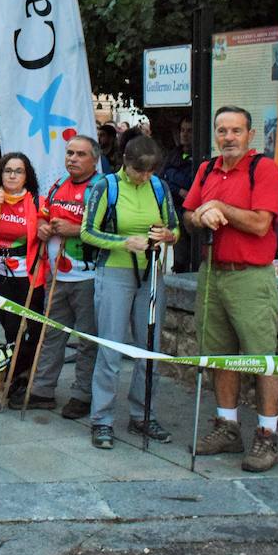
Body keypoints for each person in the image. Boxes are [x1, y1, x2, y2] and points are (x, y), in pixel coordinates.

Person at [184, 106, 278, 473]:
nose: (228, 137)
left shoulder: (264, 169)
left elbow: (261, 224)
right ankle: (227, 427)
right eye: (222, 131)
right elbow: (188, 215)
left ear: (250, 135)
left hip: (249, 276)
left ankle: (267, 434)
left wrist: (219, 207)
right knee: (218, 353)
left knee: (262, 357)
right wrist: (200, 215)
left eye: (236, 131)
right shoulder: (206, 169)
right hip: (212, 272)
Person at [81, 136, 178, 448]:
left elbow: (175, 228)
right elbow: (87, 231)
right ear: (126, 162)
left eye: (150, 172)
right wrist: (122, 242)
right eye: (139, 171)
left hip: (150, 272)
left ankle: (143, 414)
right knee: (110, 347)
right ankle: (102, 419)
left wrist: (167, 235)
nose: (145, 177)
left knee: (149, 348)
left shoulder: (159, 187)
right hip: (115, 271)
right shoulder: (106, 186)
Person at [21, 134, 102, 418]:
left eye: (80, 154)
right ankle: (42, 390)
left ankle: (82, 394)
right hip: (56, 276)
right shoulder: (58, 186)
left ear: (94, 159)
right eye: (69, 153)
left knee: (87, 339)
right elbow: (43, 214)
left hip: (88, 277)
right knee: (50, 334)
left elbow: (109, 231)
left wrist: (75, 230)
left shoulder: (101, 188)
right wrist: (43, 226)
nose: (73, 159)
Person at [0, 152, 47, 398]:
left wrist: (48, 229)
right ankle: (10, 373)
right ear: (0, 174)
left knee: (30, 331)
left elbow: (45, 232)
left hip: (30, 277)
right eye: (8, 170)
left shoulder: (36, 202)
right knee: (11, 329)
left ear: (27, 176)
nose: (13, 175)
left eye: (19, 171)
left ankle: (18, 375)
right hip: (0, 276)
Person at [160, 116, 197, 272]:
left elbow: (191, 180)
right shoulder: (174, 154)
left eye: (189, 131)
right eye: (182, 130)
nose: (185, 134)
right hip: (176, 208)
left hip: (193, 210)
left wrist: (172, 176)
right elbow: (162, 178)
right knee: (180, 253)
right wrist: (179, 189)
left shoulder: (200, 155)